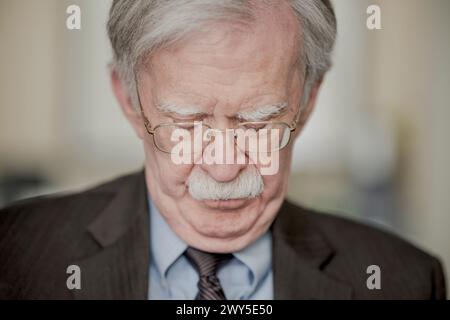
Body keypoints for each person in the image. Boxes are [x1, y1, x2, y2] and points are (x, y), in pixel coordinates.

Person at [0, 0, 446, 300]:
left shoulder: (405, 282)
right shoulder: (14, 254)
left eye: (259, 121)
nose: (225, 167)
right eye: (188, 121)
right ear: (129, 102)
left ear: (308, 101)